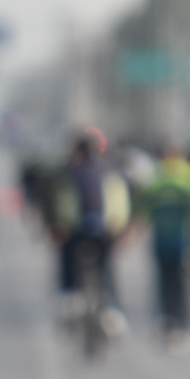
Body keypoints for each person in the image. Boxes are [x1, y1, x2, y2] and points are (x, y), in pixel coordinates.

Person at [137, 142, 190, 353]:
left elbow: (142, 212)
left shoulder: (155, 177)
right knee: (182, 285)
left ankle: (167, 321)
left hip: (161, 241)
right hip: (186, 242)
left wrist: (128, 237)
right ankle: (181, 327)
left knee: (164, 283)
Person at [53, 133, 128, 337]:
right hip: (106, 231)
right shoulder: (110, 170)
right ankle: (113, 313)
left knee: (68, 263)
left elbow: (62, 204)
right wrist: (118, 227)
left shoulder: (70, 172)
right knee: (106, 270)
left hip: (76, 231)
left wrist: (61, 227)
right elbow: (120, 200)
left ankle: (70, 301)